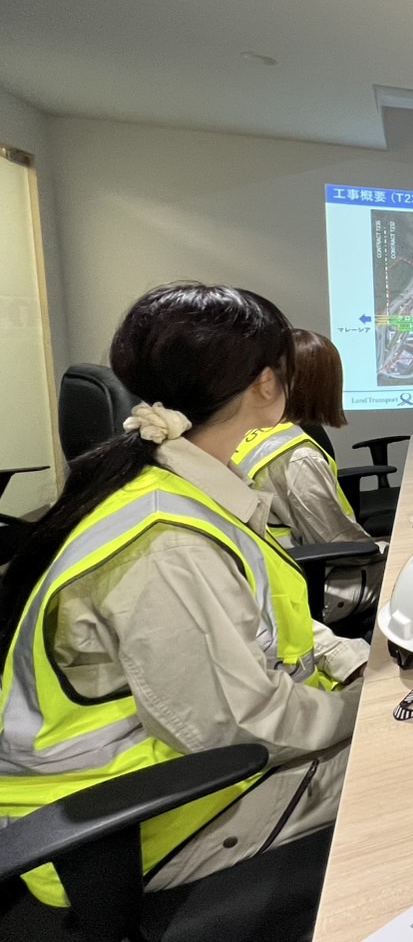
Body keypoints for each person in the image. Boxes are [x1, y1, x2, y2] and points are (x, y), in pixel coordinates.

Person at [0, 283, 366, 907]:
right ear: (266, 384)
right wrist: (368, 709)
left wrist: (354, 662)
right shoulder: (167, 543)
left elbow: (269, 625)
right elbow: (240, 727)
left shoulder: (172, 485)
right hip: (141, 816)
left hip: (175, 767)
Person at [233, 328, 383, 624]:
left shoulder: (248, 434)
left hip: (261, 579)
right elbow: (340, 545)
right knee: (411, 570)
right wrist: (386, 548)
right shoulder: (298, 457)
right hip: (303, 586)